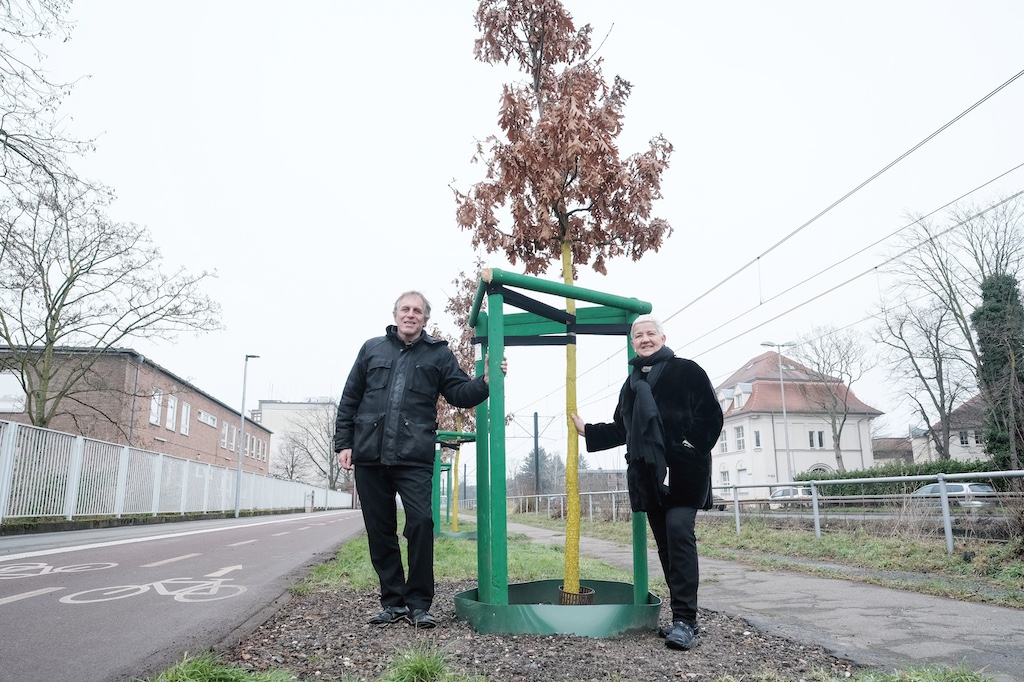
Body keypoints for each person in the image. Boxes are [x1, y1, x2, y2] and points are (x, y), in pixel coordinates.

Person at [334, 290, 504, 629]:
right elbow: (350, 398)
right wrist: (344, 443)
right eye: (404, 309)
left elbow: (459, 393)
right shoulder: (371, 349)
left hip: (413, 456)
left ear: (425, 318)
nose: (410, 315)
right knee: (380, 531)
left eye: (417, 311)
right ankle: (393, 602)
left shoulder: (438, 355)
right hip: (369, 454)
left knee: (421, 523)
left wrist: (485, 380)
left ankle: (419, 604)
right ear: (395, 314)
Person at [571, 314, 722, 651]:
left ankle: (685, 620)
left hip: (684, 474)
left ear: (663, 338)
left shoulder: (687, 371)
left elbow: (711, 415)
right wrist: (588, 431)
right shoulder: (631, 384)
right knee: (667, 547)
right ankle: (685, 620)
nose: (644, 339)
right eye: (638, 335)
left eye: (650, 333)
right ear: (633, 342)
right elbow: (623, 429)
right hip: (649, 478)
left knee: (680, 535)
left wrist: (687, 448)